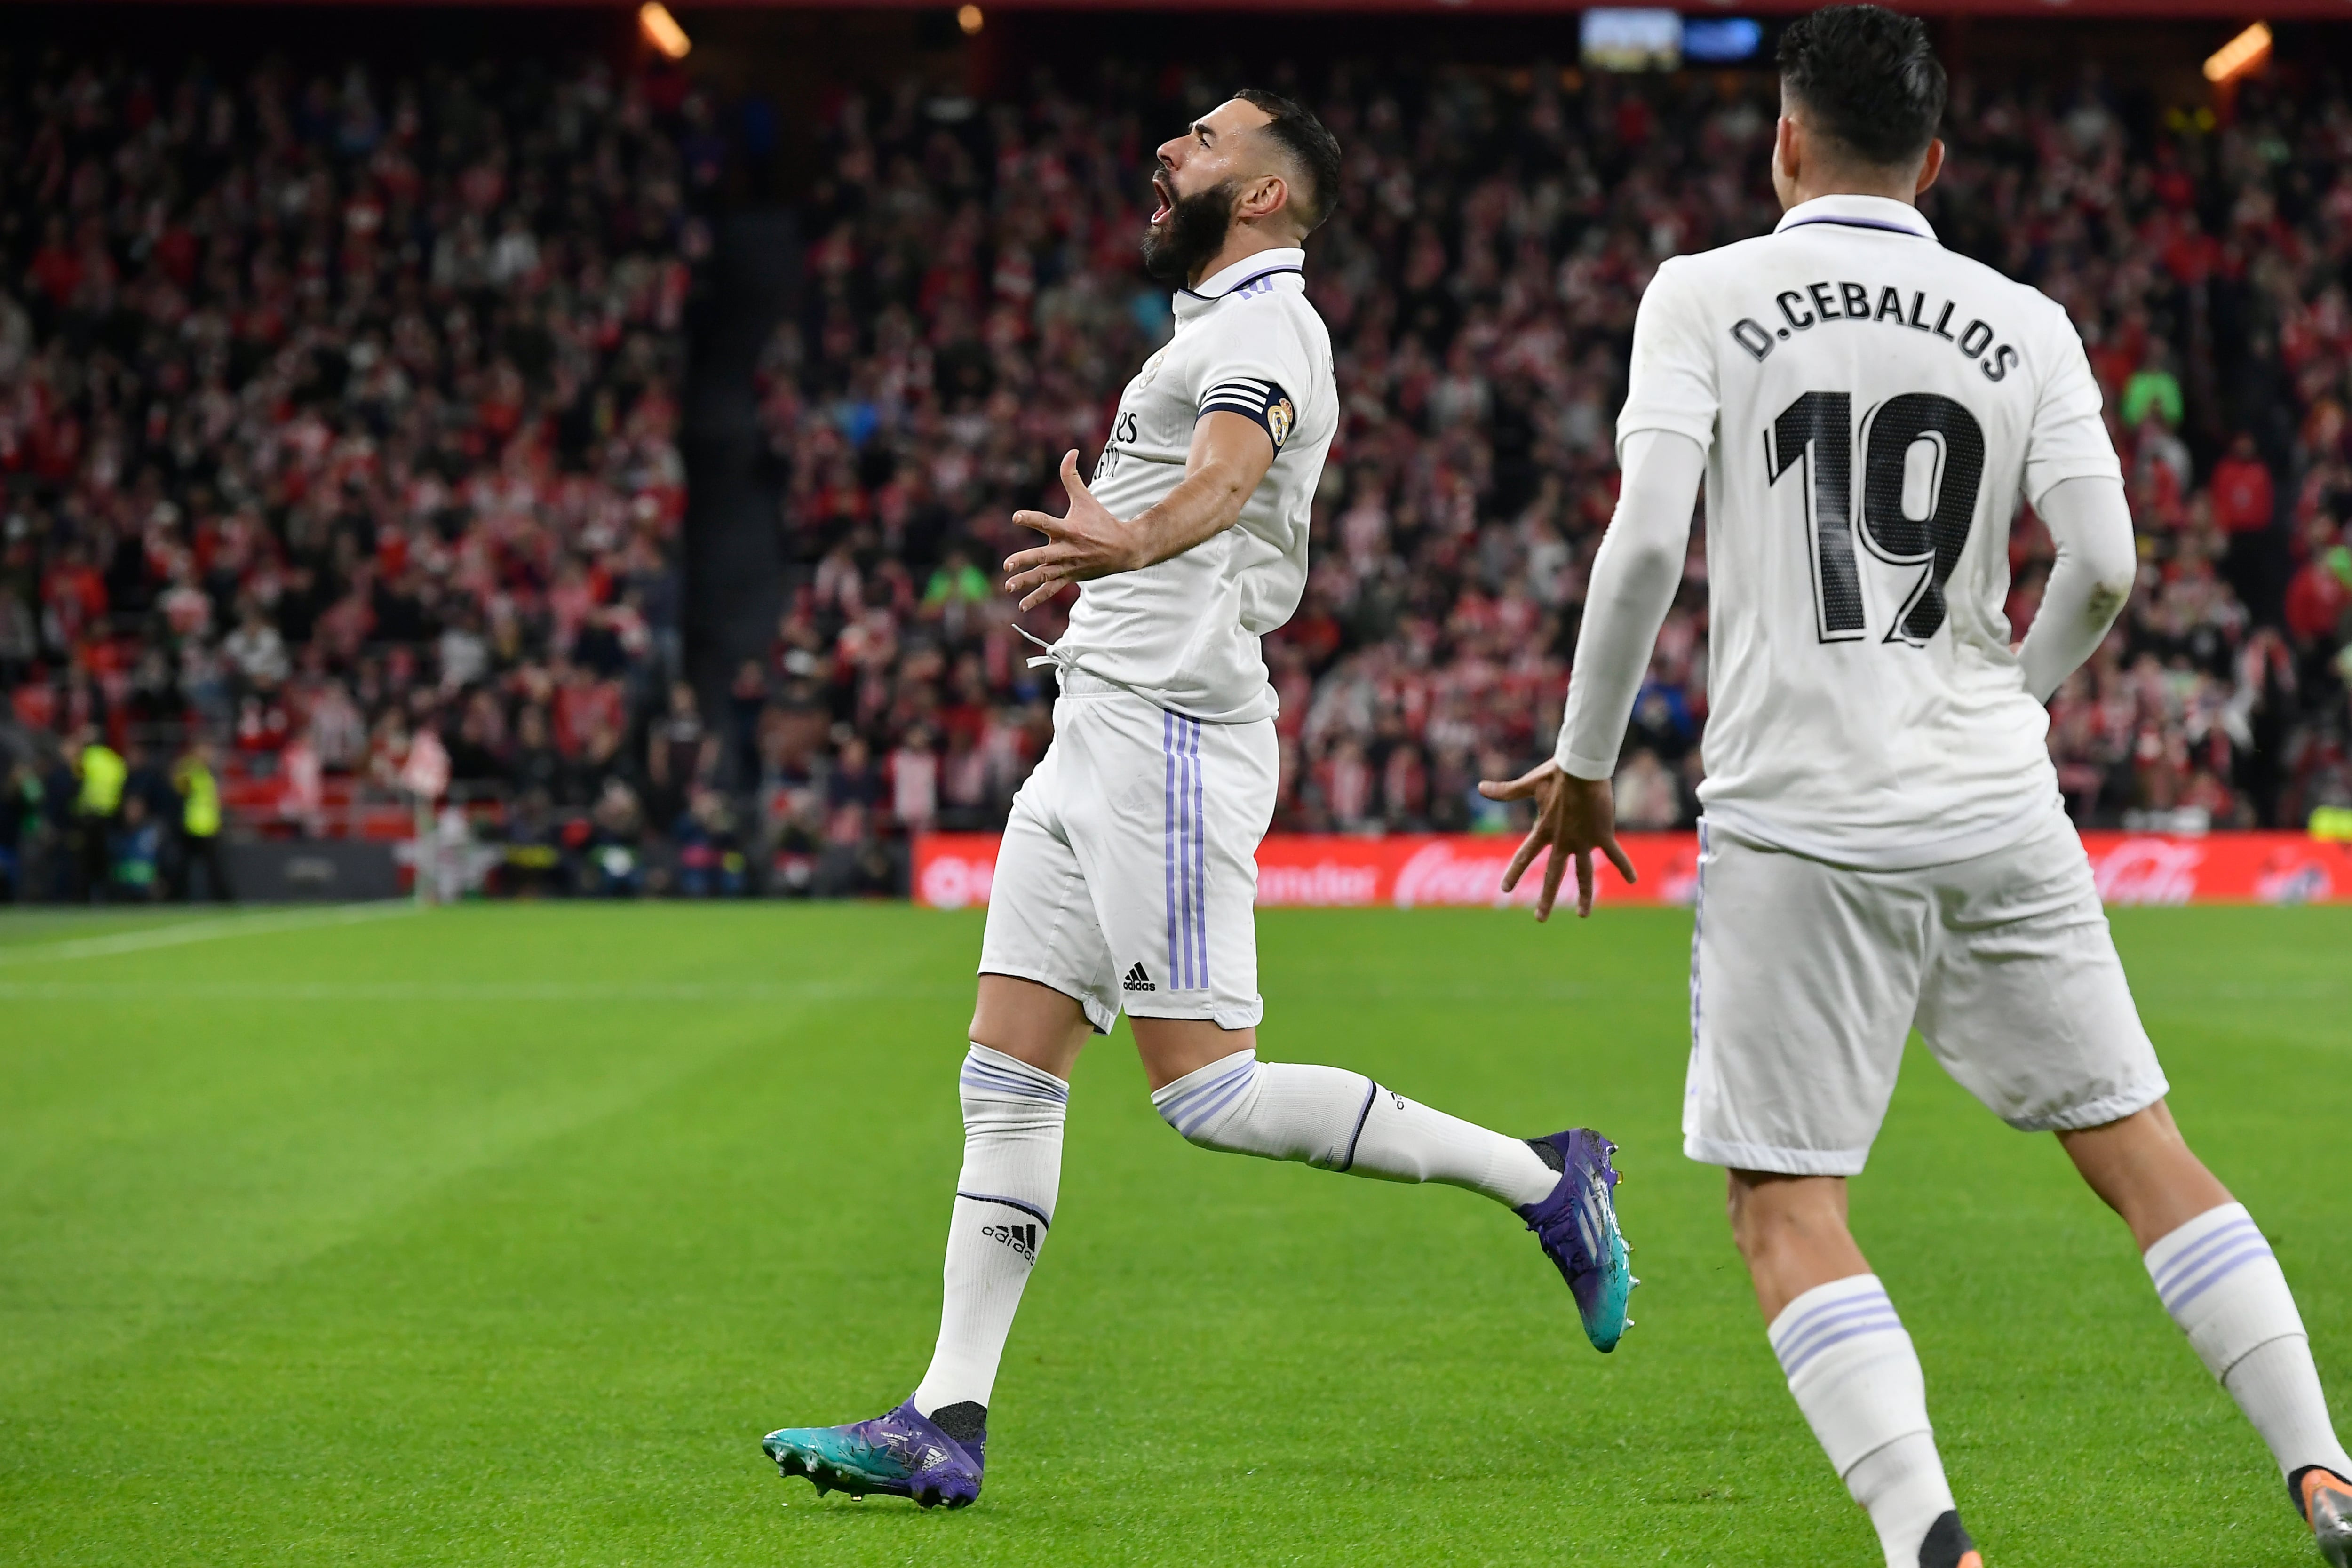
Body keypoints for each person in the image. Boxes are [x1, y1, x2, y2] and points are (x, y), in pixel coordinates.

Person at [1482, 11, 2352, 1568]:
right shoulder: (2027, 319)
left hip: (1800, 814)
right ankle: (2324, 1466)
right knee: (2142, 1149)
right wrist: (2011, 698)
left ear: (1785, 140)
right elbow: (2104, 565)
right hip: (1994, 802)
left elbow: (1648, 541)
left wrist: (1592, 763)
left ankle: (1932, 1543)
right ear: (1935, 159)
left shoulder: (1703, 293)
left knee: (1786, 1202)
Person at [760, 89, 1632, 1512]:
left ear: (1267, 194)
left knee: (1211, 1093)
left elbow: (1226, 476)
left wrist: (1132, 540)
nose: (1170, 149)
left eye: (1208, 141)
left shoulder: (1268, 331)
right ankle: (944, 1416)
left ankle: (1545, 1180)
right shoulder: (1209, 329)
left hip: (1169, 733)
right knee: (1007, 1075)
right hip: (1094, 730)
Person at [67, 726, 127, 904]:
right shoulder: (115, 761)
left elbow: (73, 782)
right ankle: (106, 898)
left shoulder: (85, 758)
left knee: (84, 861)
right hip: (110, 816)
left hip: (87, 815)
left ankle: (83, 898)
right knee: (106, 861)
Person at [172, 741, 231, 902]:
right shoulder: (190, 770)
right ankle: (179, 897)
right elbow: (178, 784)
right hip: (194, 825)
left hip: (209, 826)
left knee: (212, 867)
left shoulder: (208, 773)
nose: (209, 755)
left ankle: (221, 899)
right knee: (189, 866)